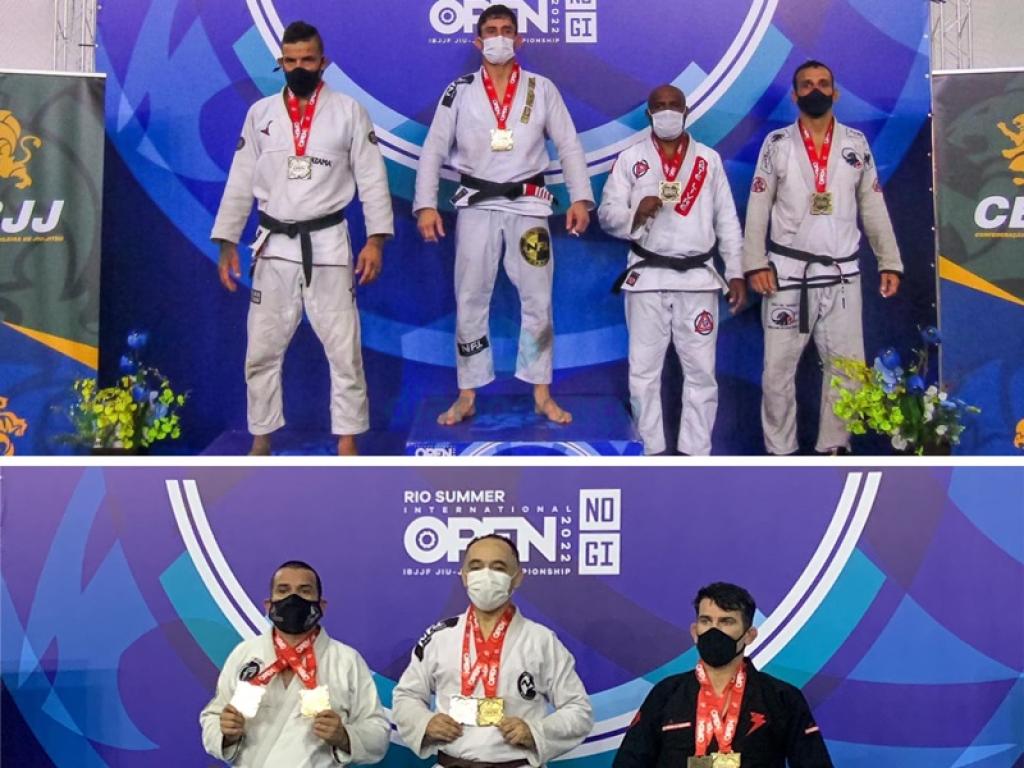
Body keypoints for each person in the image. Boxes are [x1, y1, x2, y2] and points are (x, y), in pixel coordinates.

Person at [211, 20, 394, 456]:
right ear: (280, 62)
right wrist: (226, 241)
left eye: (307, 60)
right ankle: (261, 437)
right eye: (291, 60)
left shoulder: (348, 111)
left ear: (323, 62)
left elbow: (372, 179)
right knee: (262, 347)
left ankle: (347, 439)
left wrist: (376, 240)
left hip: (328, 241)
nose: (299, 67)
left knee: (344, 348)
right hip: (273, 244)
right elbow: (240, 180)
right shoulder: (260, 115)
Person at [414, 4, 595, 427]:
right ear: (478, 42)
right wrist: (425, 204)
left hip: (529, 205)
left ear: (519, 39)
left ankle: (541, 392)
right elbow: (434, 148)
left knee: (538, 298)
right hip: (476, 205)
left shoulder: (541, 88)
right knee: (470, 297)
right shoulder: (459, 90)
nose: (499, 37)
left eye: (507, 30)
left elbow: (568, 144)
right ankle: (467, 393)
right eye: (491, 30)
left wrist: (581, 199)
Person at [743, 60, 903, 456]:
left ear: (835, 92)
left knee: (847, 368)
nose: (815, 90)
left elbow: (873, 205)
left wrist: (889, 261)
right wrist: (755, 262)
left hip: (842, 272)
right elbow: (758, 205)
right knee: (777, 371)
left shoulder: (855, 144)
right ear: (794, 94)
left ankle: (834, 446)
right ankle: (780, 450)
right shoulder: (777, 144)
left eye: (822, 84)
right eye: (807, 85)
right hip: (787, 273)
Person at [598, 85, 745, 456]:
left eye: (673, 105)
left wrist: (736, 272)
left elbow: (727, 221)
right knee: (643, 373)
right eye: (659, 106)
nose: (667, 112)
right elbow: (607, 215)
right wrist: (635, 214)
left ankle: (696, 455)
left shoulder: (708, 160)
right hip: (646, 277)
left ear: (686, 111)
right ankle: (647, 453)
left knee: (701, 373)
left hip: (699, 278)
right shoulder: (631, 159)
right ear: (648, 114)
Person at [392, 534, 593, 768]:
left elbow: (578, 709)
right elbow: (407, 695)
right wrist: (425, 722)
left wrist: (536, 731)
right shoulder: (440, 636)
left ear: (517, 578)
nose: (486, 575)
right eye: (476, 566)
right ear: (464, 576)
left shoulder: (540, 640)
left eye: (498, 567)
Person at [612, 582, 834, 768]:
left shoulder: (782, 697)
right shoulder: (666, 693)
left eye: (726, 622)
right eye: (706, 621)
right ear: (694, 632)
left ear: (749, 635)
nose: (714, 630)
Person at [200, 560, 389, 766]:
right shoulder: (244, 654)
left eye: (304, 591)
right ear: (269, 605)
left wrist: (344, 737)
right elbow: (213, 717)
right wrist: (226, 733)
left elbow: (378, 734)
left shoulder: (346, 660)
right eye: (283, 590)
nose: (293, 599)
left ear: (321, 606)